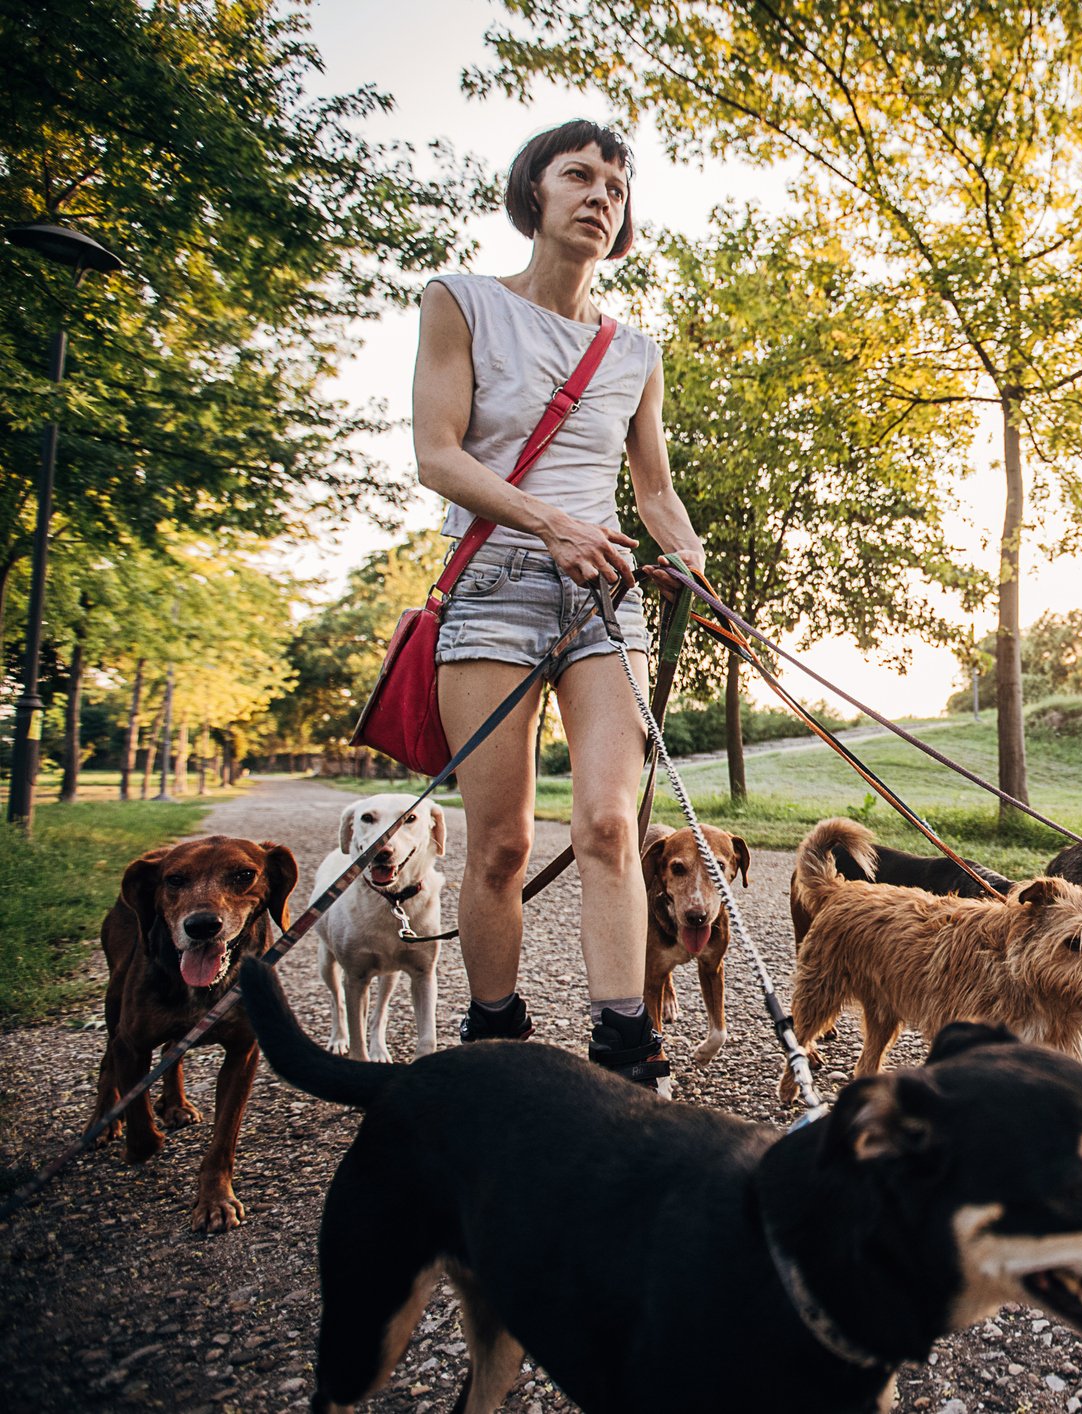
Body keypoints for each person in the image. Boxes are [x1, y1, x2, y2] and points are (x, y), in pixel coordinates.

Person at [410, 120, 705, 1087]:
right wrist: (552, 526)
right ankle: (494, 1041)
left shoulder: (636, 352)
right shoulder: (458, 301)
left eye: (616, 187)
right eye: (577, 175)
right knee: (499, 845)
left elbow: (652, 490)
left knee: (610, 826)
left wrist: (689, 558)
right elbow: (439, 455)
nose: (600, 195)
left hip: (605, 597)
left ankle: (624, 1047)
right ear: (532, 191)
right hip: (492, 587)